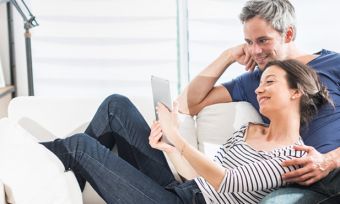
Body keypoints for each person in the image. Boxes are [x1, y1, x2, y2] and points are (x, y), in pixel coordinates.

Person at [43, 59, 333, 204]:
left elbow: (225, 181)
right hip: (182, 190)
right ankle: (54, 183)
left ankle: (21, 159)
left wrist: (178, 139)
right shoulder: (249, 129)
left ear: (296, 92)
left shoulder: (294, 156)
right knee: (115, 106)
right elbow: (198, 177)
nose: (259, 88)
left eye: (270, 82)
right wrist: (167, 147)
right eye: (260, 83)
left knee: (80, 147)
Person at [175, 0, 340, 202]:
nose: (255, 51)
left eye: (263, 40)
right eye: (249, 42)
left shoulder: (333, 65)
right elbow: (190, 104)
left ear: (288, 34)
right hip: (291, 180)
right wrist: (227, 56)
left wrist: (329, 160)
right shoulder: (257, 80)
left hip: (334, 174)